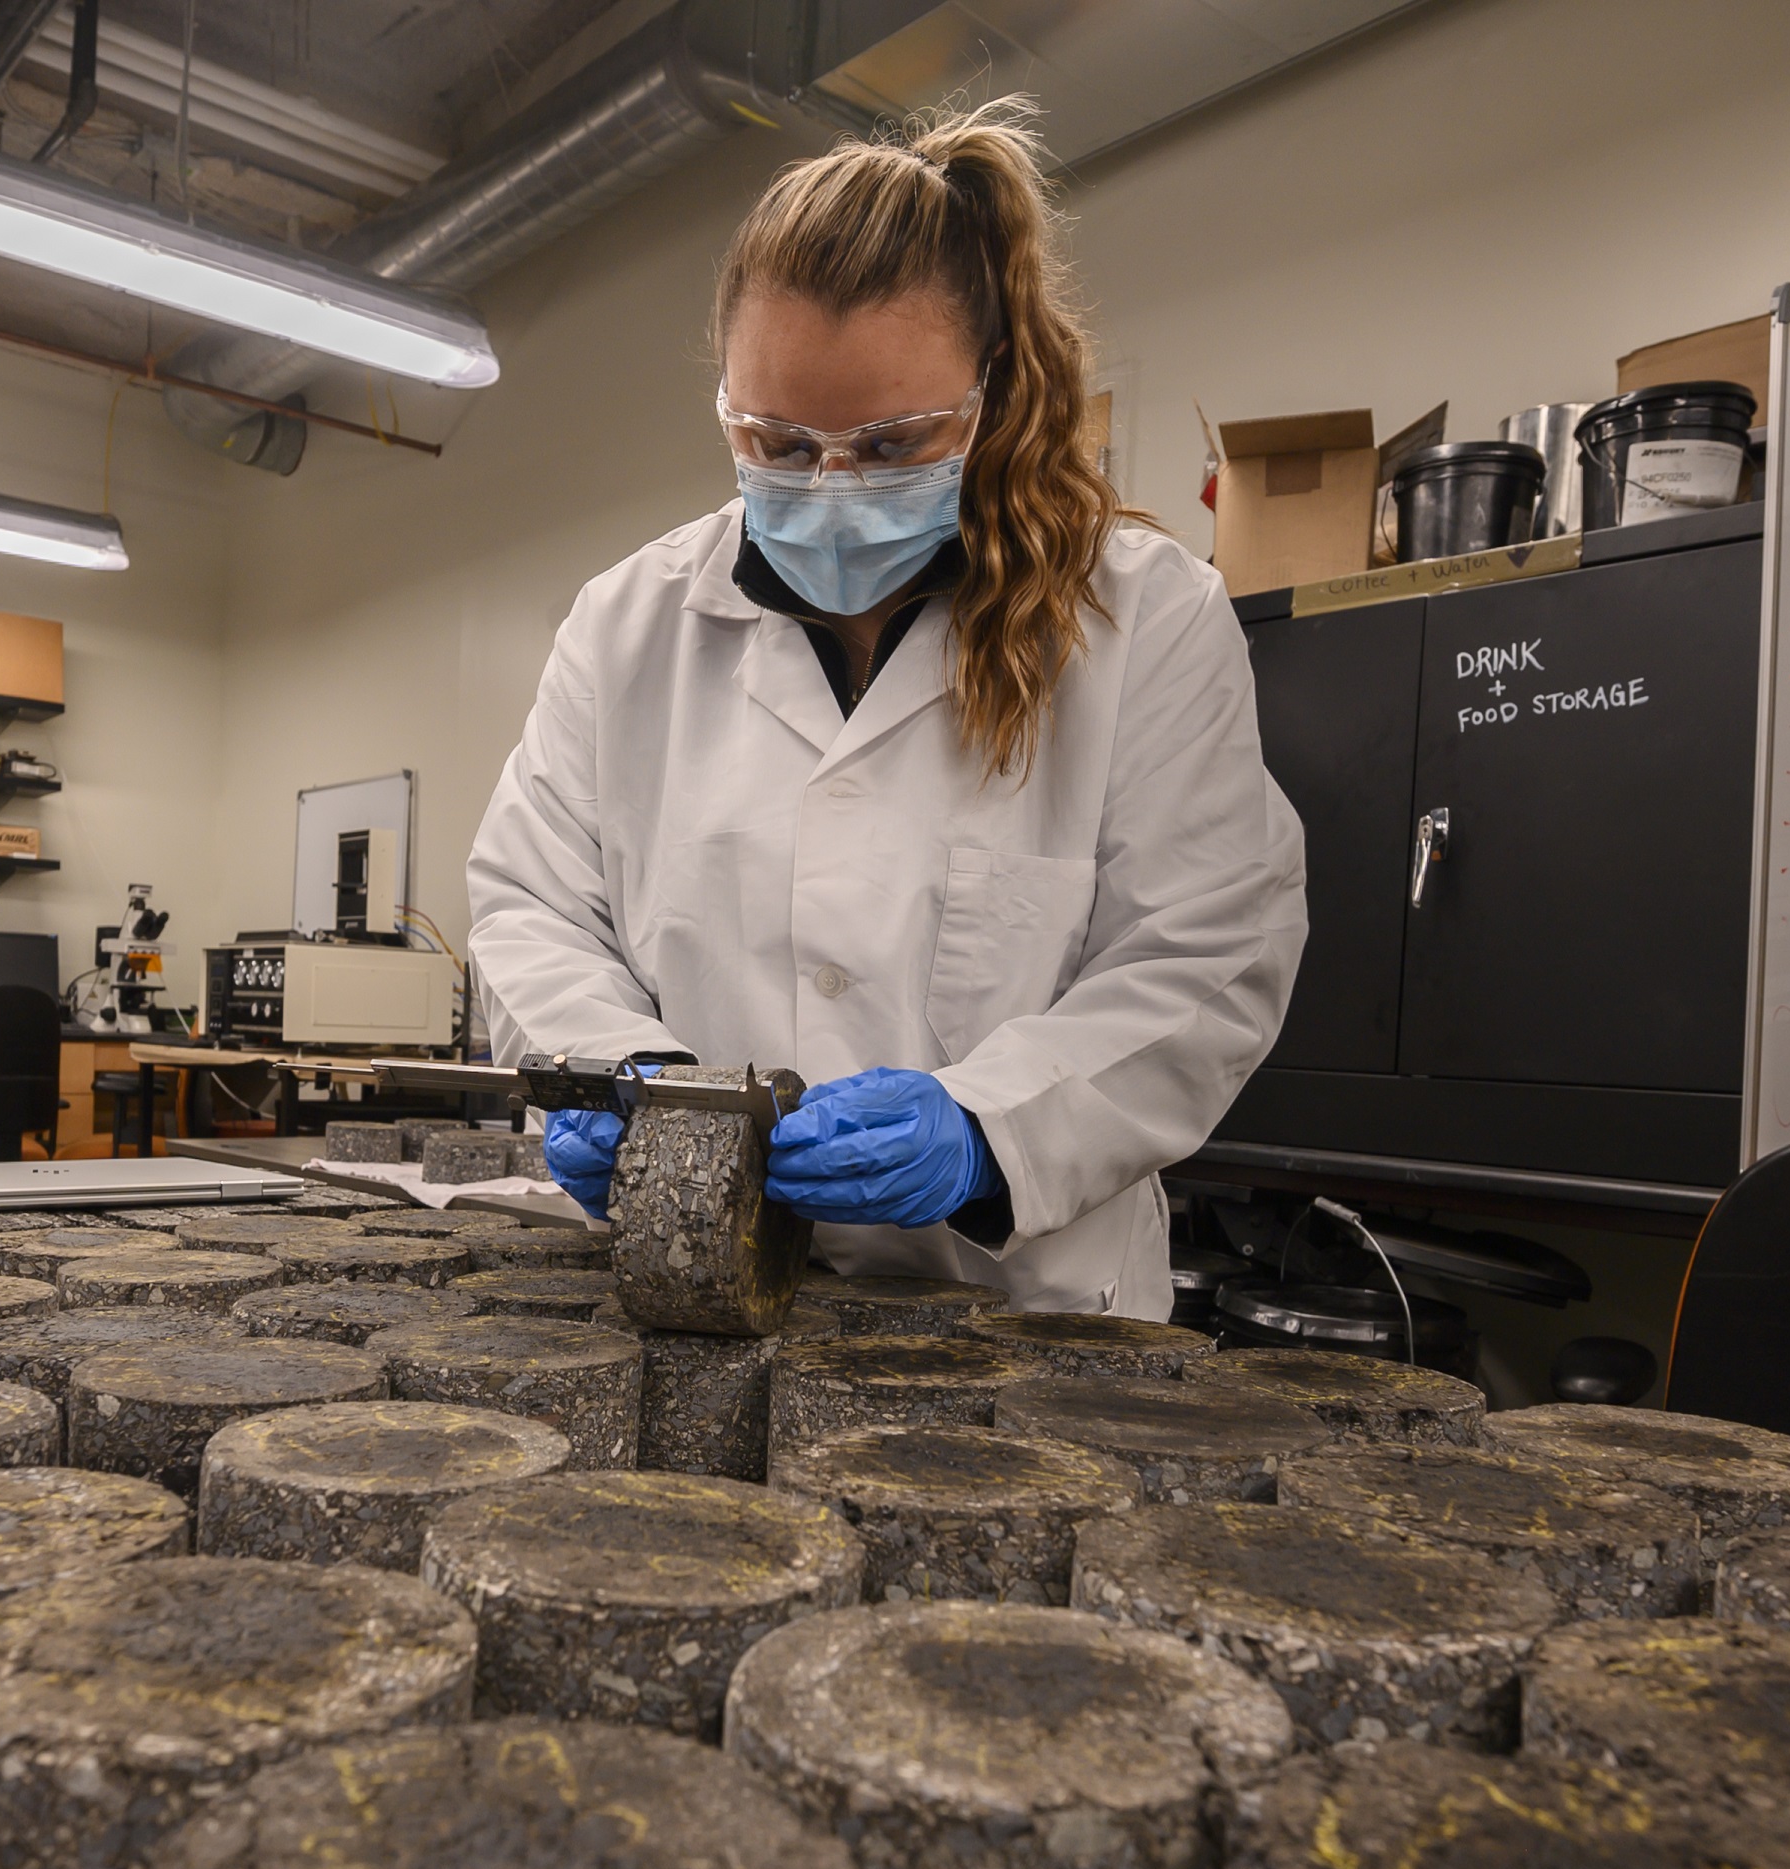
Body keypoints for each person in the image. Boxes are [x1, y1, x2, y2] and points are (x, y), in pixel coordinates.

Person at [466, 101, 1306, 1318]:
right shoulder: (625, 624)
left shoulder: (1140, 620)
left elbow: (1209, 954)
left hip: (1026, 1317)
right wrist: (609, 1075)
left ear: (991, 394)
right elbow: (531, 907)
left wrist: (980, 1128)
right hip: (698, 1292)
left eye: (893, 440)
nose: (833, 484)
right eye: (781, 443)